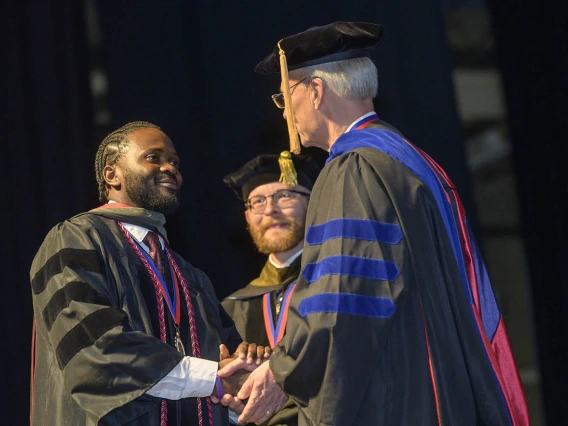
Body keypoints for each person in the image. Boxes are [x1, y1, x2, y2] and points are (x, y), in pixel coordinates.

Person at [221, 22, 530, 425]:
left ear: (315, 92)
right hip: (433, 376)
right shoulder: (408, 160)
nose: (283, 111)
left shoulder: (354, 168)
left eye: (285, 96)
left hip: (394, 390)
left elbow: (343, 292)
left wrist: (284, 370)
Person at [29, 121, 265, 426]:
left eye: (175, 163)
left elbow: (227, 370)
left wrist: (244, 381)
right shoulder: (76, 239)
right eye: (154, 157)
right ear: (112, 174)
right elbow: (95, 350)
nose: (170, 168)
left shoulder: (190, 276)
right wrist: (214, 379)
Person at [221, 152, 320, 425]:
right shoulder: (231, 309)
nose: (270, 210)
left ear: (314, 203)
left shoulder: (334, 288)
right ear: (247, 216)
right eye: (258, 201)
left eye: (285, 195)